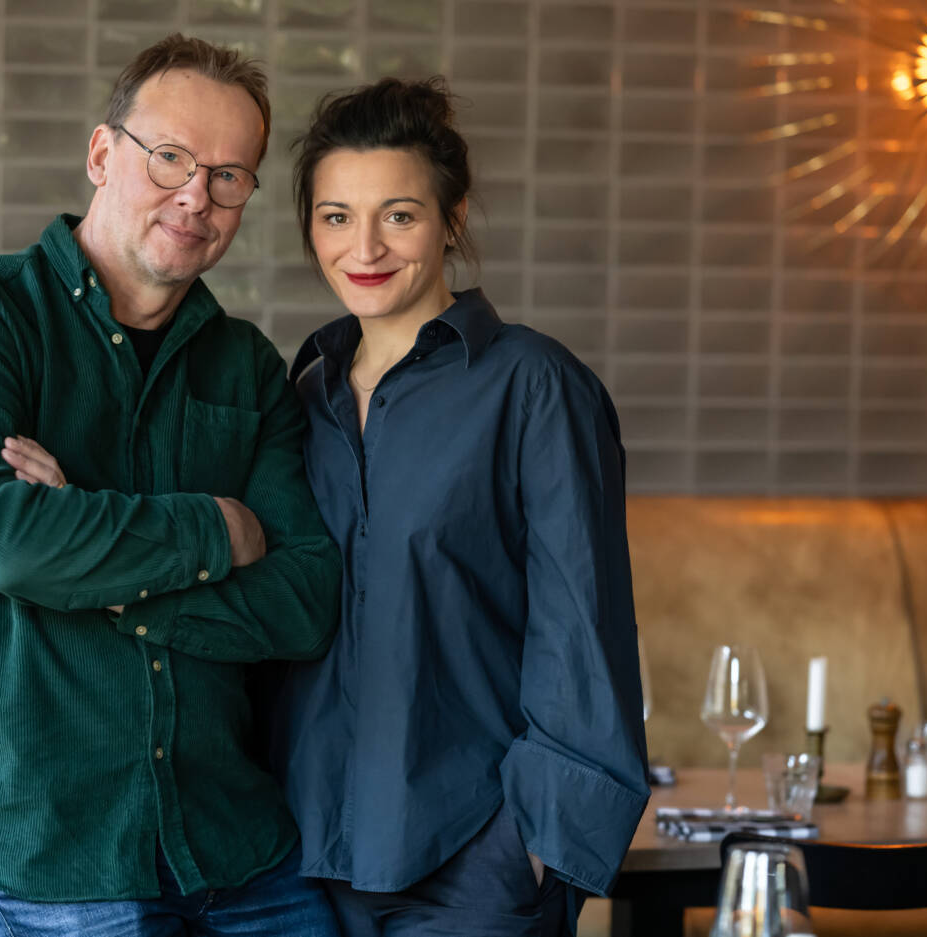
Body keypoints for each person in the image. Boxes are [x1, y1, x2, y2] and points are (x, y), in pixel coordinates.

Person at [0, 34, 342, 937]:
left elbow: (306, 597)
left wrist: (82, 567)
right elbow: (4, 542)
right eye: (170, 156)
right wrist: (218, 528)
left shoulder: (248, 369)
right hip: (47, 849)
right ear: (102, 154)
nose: (195, 195)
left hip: (240, 845)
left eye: (229, 174)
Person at [275, 77, 650, 936]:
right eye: (336, 216)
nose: (363, 245)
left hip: (473, 865)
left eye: (398, 215)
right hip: (301, 862)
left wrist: (535, 846)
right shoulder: (301, 400)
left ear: (451, 217)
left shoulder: (534, 385)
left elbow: (582, 631)